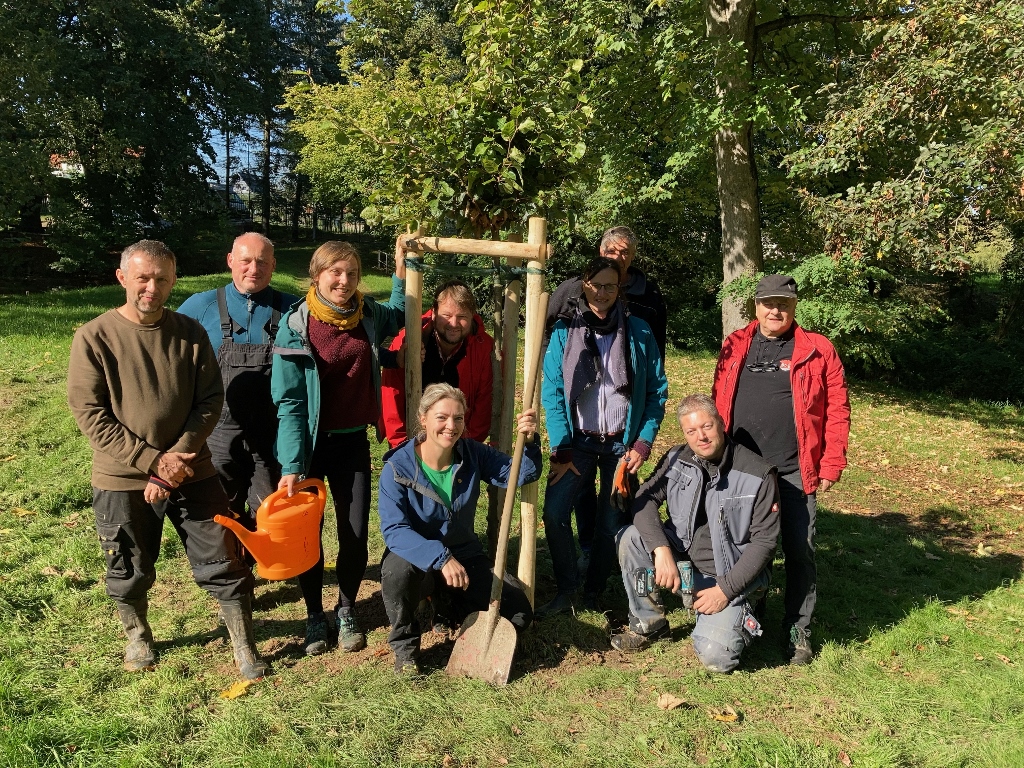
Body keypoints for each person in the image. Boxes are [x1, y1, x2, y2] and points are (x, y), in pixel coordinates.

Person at [68, 240, 266, 680]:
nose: (151, 287)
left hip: (192, 469)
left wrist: (178, 457)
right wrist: (152, 462)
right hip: (122, 476)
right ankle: (138, 634)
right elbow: (89, 412)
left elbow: (211, 400)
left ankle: (242, 643)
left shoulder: (189, 333)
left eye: (161, 279)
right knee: (129, 562)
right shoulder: (94, 337)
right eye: (143, 277)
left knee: (223, 555)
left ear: (173, 280)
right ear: (123, 278)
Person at [271, 238, 406, 656]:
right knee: (308, 534)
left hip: (352, 444)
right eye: (335, 272)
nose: (343, 281)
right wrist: (291, 463)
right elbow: (291, 401)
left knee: (353, 532)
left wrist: (401, 269)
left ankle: (346, 608)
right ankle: (315, 615)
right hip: (310, 448)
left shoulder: (367, 315)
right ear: (317, 275)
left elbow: (400, 316)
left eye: (351, 273)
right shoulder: (296, 325)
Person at [711, 274, 851, 665]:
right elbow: (718, 397)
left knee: (799, 550)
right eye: (769, 303)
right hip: (741, 469)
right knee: (743, 546)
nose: (776, 310)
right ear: (756, 306)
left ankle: (797, 628)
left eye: (784, 304)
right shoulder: (735, 344)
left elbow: (838, 410)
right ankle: (749, 614)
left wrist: (831, 460)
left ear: (794, 307)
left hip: (794, 469)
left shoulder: (817, 349)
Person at [611, 394, 780, 673]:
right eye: (691, 431)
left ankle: (739, 611)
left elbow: (765, 543)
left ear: (721, 423)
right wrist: (661, 550)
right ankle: (649, 623)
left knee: (717, 658)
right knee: (631, 538)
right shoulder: (678, 458)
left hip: (724, 578)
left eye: (706, 427)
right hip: (682, 566)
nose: (700, 437)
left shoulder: (758, 474)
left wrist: (725, 591)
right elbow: (644, 499)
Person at [378, 384, 540, 674]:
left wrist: (529, 439)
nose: (450, 426)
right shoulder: (397, 469)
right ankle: (406, 648)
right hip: (418, 560)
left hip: (464, 556)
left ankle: (451, 607)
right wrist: (440, 557)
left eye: (458, 418)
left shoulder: (471, 454)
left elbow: (523, 472)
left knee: (519, 613)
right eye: (442, 417)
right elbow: (395, 530)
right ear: (423, 418)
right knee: (397, 571)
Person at [539, 256, 668, 616]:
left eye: (610, 285)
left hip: (620, 447)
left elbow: (657, 392)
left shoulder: (640, 331)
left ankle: (594, 593)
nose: (602, 292)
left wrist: (642, 443)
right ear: (584, 286)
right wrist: (561, 447)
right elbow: (551, 391)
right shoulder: (565, 333)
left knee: (610, 522)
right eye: (596, 284)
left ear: (619, 289)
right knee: (554, 513)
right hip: (576, 443)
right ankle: (567, 589)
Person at [176, 233, 298, 530]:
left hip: (273, 433)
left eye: (262, 262)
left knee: (271, 508)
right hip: (217, 431)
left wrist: (390, 355)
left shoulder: (294, 309)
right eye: (245, 260)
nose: (253, 269)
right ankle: (232, 569)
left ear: (273, 265)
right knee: (220, 508)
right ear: (231, 261)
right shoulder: (199, 306)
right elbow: (166, 357)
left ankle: (266, 562)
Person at [380, 279, 495, 448]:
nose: (454, 324)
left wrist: (466, 450)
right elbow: (391, 396)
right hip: (411, 440)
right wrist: (401, 447)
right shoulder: (407, 341)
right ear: (434, 313)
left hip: (458, 441)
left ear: (472, 317)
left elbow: (483, 403)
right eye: (446, 316)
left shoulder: (483, 348)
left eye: (462, 317)